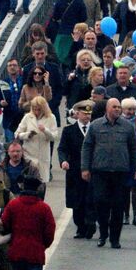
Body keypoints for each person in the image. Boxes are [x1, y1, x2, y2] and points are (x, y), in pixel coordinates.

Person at [81, 97, 136, 249]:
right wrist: (85, 168)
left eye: (118, 107)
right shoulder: (96, 125)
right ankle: (103, 234)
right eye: (114, 107)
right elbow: (87, 147)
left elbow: (135, 148)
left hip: (120, 172)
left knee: (118, 206)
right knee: (101, 203)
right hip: (100, 172)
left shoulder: (128, 127)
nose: (117, 109)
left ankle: (115, 238)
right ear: (107, 109)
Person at [57, 100, 94, 238]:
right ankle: (80, 227)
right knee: (77, 200)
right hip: (74, 171)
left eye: (89, 114)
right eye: (84, 113)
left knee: (90, 198)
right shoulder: (69, 131)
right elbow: (62, 148)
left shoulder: (95, 129)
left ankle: (90, 223)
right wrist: (64, 161)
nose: (87, 116)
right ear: (77, 114)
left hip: (92, 170)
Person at [15, 95, 59, 181]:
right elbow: (17, 134)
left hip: (43, 155)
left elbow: (54, 137)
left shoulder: (51, 117)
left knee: (42, 182)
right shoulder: (27, 117)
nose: (36, 112)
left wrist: (45, 130)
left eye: (39, 109)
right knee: (29, 180)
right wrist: (27, 135)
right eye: (34, 109)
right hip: (29, 154)